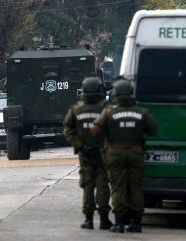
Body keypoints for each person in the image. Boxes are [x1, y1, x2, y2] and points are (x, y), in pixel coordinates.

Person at [91, 80, 158, 233]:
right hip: (136, 152)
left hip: (115, 153)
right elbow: (153, 130)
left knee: (117, 187)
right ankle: (137, 223)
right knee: (135, 187)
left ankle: (119, 223)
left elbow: (95, 130)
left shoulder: (109, 111)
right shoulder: (142, 112)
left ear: (116, 94)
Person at [63, 76, 113, 230]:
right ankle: (104, 219)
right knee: (103, 186)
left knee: (88, 186)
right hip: (103, 154)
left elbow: (68, 130)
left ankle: (88, 219)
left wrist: (81, 146)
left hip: (85, 154)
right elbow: (114, 130)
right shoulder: (106, 108)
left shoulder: (76, 109)